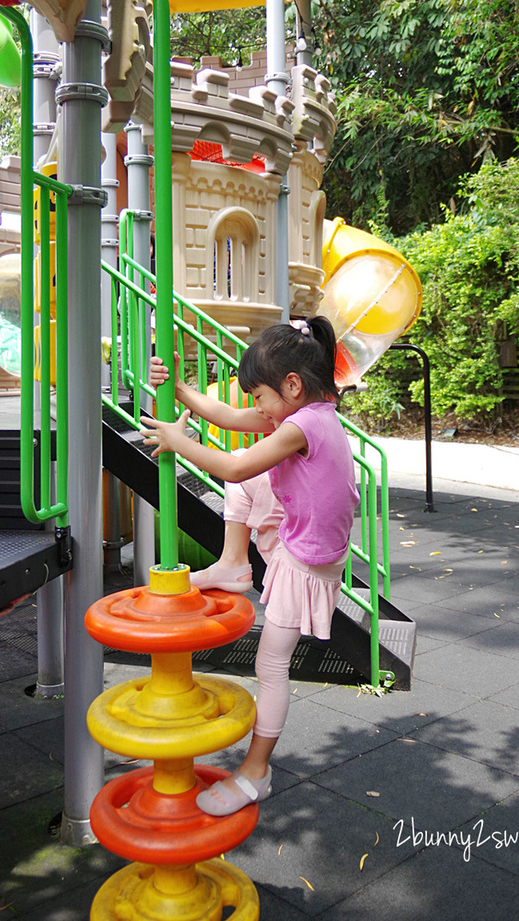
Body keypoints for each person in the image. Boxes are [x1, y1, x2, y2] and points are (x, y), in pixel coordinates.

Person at [143, 316, 359, 817]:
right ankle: (233, 563)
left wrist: (180, 444)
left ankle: (256, 771)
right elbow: (225, 417)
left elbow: (236, 463)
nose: (256, 407)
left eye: (259, 395)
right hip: (298, 534)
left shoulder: (303, 424)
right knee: (243, 489)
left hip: (307, 561)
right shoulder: (303, 411)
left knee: (271, 665)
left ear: (291, 385)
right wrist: (179, 388)